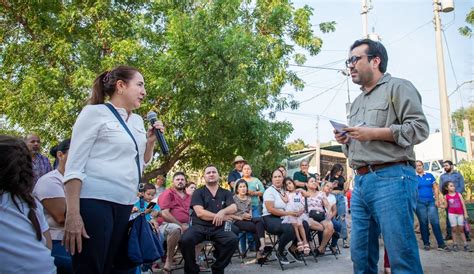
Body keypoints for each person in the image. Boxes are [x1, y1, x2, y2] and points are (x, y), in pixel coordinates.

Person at [334, 39, 429, 273]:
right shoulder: (356, 103)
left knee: (401, 257)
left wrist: (374, 133)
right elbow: (359, 144)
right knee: (360, 256)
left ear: (375, 61)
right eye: (349, 61)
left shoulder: (398, 87)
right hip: (361, 183)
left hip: (393, 178)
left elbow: (419, 128)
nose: (350, 65)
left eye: (355, 59)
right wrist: (347, 140)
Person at [62, 66, 164, 274]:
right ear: (120, 86)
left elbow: (141, 163)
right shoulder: (94, 113)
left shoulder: (136, 120)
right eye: (140, 84)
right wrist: (72, 213)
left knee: (113, 266)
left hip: (125, 203)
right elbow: (74, 166)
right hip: (95, 201)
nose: (144, 91)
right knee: (91, 266)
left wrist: (151, 141)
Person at [0, 135, 56, 274]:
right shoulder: (32, 203)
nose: (36, 144)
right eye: (33, 141)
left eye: (38, 141)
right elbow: (48, 245)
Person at [179, 165, 238, 274]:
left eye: (214, 172)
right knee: (185, 240)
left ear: (218, 176)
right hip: (199, 227)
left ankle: (217, 268)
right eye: (208, 172)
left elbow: (233, 207)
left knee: (233, 240)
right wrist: (221, 216)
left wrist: (222, 212)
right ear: (204, 177)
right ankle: (192, 269)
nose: (211, 174)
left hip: (219, 228)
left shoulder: (226, 192)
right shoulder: (198, 192)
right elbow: (200, 213)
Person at [33, 139, 73, 273]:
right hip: (57, 242)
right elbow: (62, 217)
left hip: (79, 241)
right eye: (75, 153)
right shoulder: (50, 181)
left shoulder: (82, 180)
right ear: (60, 155)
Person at [262, 169, 303, 264]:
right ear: (272, 179)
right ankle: (279, 251)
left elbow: (294, 200)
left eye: (279, 176)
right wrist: (288, 213)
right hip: (270, 218)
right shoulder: (269, 191)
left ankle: (293, 248)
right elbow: (270, 209)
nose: (277, 179)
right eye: (275, 177)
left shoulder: (284, 190)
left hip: (284, 217)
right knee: (290, 228)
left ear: (283, 178)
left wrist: (299, 210)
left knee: (304, 224)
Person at [157, 172, 192, 272]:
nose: (180, 181)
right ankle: (169, 260)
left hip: (186, 225)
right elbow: (165, 214)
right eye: (178, 179)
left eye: (182, 179)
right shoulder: (168, 193)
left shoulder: (189, 197)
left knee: (202, 230)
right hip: (165, 225)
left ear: (185, 182)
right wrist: (181, 225)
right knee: (175, 229)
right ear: (173, 182)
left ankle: (193, 262)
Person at [414, 160, 448, 251]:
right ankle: (426, 244)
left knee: (435, 222)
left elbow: (435, 188)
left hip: (431, 202)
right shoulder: (414, 178)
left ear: (423, 166)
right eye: (416, 166)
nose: (418, 167)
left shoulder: (429, 176)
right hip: (419, 203)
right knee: (423, 223)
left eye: (420, 165)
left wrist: (437, 200)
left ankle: (441, 244)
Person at [231, 179, 267, 258]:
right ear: (237, 189)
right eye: (241, 187)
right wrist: (241, 217)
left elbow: (249, 211)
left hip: (247, 219)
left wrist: (249, 216)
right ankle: (259, 252)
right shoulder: (233, 199)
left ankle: (262, 245)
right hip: (237, 220)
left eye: (244, 186)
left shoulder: (248, 199)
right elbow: (230, 214)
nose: (243, 188)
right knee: (255, 227)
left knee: (260, 221)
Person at [301, 178, 334, 256]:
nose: (314, 182)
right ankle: (329, 232)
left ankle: (320, 248)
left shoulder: (321, 193)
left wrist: (329, 213)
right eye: (311, 181)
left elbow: (327, 204)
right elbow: (300, 208)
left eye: (315, 181)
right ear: (307, 184)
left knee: (330, 226)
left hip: (321, 216)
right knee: (309, 222)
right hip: (309, 216)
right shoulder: (303, 194)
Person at [440, 160, 469, 241]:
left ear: (451, 166)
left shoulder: (458, 175)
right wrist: (448, 196)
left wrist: (455, 195)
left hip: (458, 199)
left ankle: (466, 235)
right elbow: (441, 188)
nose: (445, 167)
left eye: (446, 165)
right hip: (448, 200)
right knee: (449, 217)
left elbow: (462, 186)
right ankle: (449, 234)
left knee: (462, 216)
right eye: (444, 166)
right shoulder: (442, 176)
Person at [282, 178, 310, 255]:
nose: (289, 186)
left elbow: (304, 202)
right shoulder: (286, 193)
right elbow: (285, 200)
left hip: (299, 211)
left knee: (300, 224)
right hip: (290, 213)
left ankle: (305, 241)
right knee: (295, 225)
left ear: (293, 183)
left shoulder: (299, 192)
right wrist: (281, 194)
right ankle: (299, 241)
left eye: (290, 183)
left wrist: (301, 189)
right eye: (286, 185)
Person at [240, 163, 264, 251]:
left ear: (251, 170)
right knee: (243, 227)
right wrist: (245, 192)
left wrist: (253, 193)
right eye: (245, 169)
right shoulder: (239, 181)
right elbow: (235, 193)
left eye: (248, 169)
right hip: (242, 208)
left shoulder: (256, 180)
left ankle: (255, 247)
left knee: (257, 225)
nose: (246, 170)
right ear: (242, 171)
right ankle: (243, 250)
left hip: (255, 206)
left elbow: (262, 191)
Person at [440, 182, 470, 252]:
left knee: (462, 230)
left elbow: (463, 204)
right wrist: (439, 205)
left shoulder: (458, 194)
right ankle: (455, 244)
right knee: (453, 229)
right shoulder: (446, 196)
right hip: (452, 214)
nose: (453, 187)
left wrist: (465, 214)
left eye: (453, 186)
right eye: (451, 186)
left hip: (460, 214)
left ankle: (465, 244)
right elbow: (445, 206)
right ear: (446, 188)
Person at [325, 163, 349, 248]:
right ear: (335, 169)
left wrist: (348, 180)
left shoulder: (342, 178)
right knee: (332, 217)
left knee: (342, 217)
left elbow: (345, 190)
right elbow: (325, 187)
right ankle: (331, 240)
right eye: (339, 170)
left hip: (340, 197)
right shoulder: (329, 176)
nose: (340, 172)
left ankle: (345, 240)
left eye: (341, 170)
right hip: (331, 197)